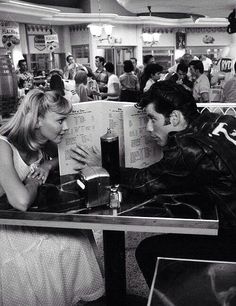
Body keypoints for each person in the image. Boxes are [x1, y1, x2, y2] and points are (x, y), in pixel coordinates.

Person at [70, 80, 236, 290]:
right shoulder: (220, 119)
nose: (148, 128)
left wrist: (103, 166)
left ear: (174, 117)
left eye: (152, 119)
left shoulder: (188, 148)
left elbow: (144, 182)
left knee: (149, 251)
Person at [0, 89, 104, 305]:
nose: (66, 127)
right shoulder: (3, 145)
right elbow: (20, 201)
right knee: (70, 243)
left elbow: (59, 157)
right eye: (60, 120)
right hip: (7, 229)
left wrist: (48, 163)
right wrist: (33, 181)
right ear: (37, 120)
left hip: (26, 220)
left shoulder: (43, 142)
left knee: (80, 234)